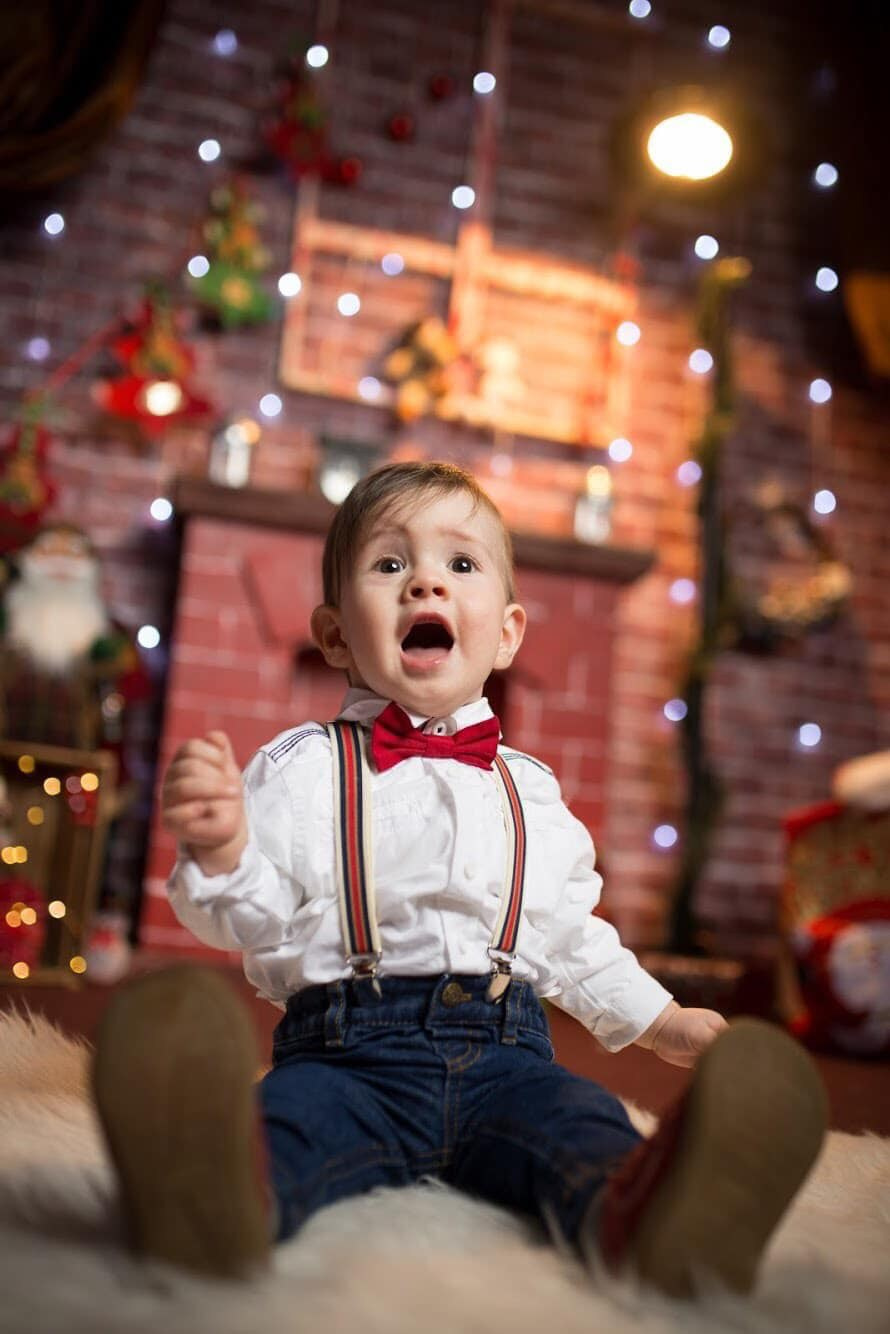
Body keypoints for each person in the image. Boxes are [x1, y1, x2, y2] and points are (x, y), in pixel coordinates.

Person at [93, 461, 827, 1297]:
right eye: (390, 564)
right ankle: (209, 1197)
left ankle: (660, 1223)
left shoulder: (533, 792)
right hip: (346, 1058)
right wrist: (224, 855)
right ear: (334, 636)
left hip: (510, 1061)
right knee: (282, 1131)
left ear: (507, 634)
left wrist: (662, 1022)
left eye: (461, 565)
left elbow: (573, 939)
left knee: (587, 1129)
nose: (425, 583)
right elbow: (258, 921)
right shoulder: (300, 771)